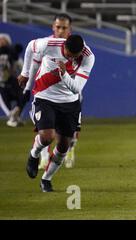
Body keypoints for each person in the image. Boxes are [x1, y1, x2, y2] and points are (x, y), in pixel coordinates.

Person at [25, 34, 95, 192]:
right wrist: (25, 73)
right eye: (68, 54)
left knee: (64, 145)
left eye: (73, 56)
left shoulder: (88, 57)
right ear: (64, 46)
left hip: (69, 103)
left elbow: (77, 88)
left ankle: (46, 179)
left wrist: (63, 74)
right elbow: (30, 46)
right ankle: (34, 154)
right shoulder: (51, 44)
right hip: (45, 96)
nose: (70, 58)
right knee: (47, 136)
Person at [18, 13, 79, 169]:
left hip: (69, 95)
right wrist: (27, 82)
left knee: (68, 136)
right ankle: (42, 156)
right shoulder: (47, 44)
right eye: (58, 27)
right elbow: (34, 64)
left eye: (64, 28)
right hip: (46, 94)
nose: (60, 30)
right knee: (46, 133)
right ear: (53, 27)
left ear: (70, 29)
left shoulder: (78, 48)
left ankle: (70, 152)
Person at [0, 33, 26, 127]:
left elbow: (22, 67)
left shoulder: (14, 55)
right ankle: (11, 116)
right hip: (2, 84)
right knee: (2, 98)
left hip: (14, 82)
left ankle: (16, 115)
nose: (1, 42)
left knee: (24, 95)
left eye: (3, 40)